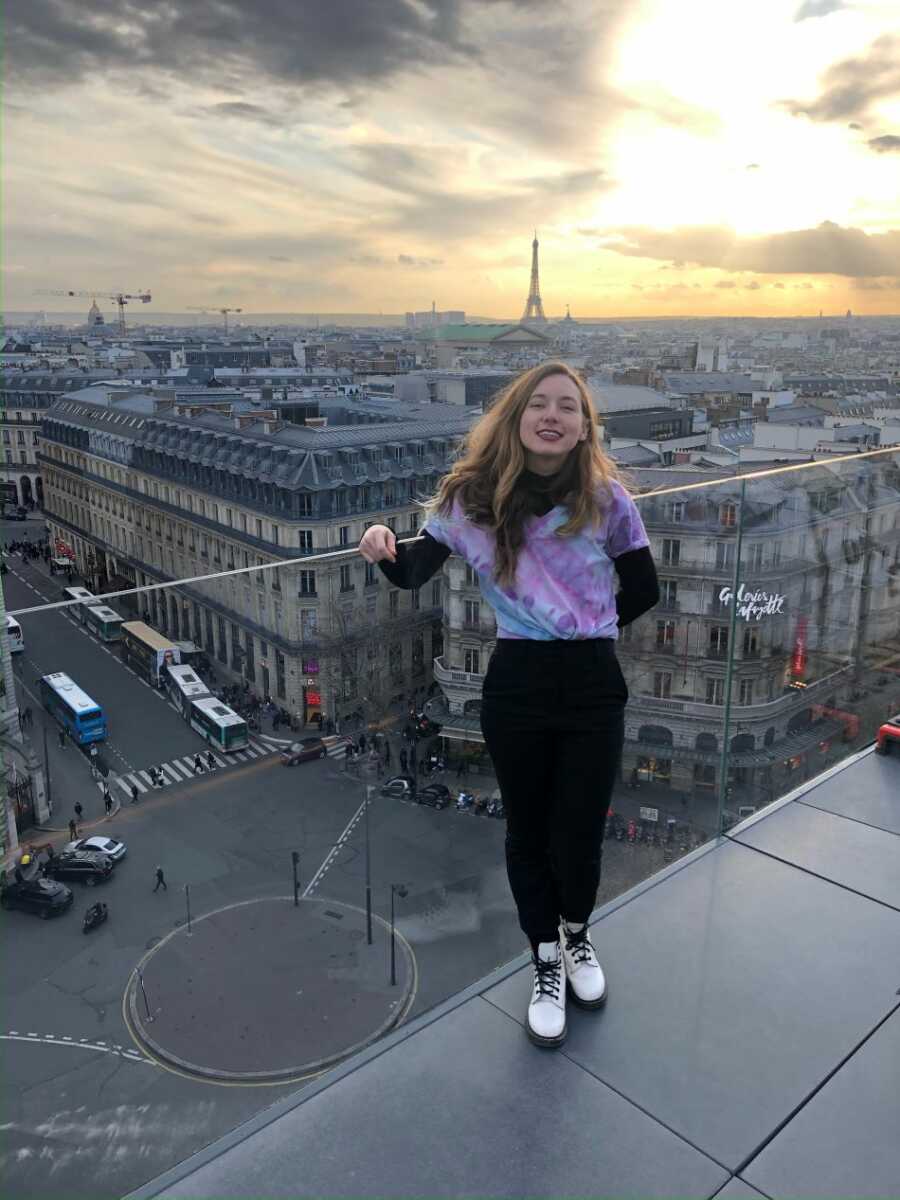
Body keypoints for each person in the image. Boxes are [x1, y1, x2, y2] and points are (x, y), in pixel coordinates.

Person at [360, 361, 659, 1050]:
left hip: (589, 680)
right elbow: (411, 571)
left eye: (568, 407)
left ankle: (577, 937)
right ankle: (545, 959)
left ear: (585, 426)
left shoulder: (607, 497)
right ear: (516, 417)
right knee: (527, 829)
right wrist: (381, 543)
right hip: (517, 680)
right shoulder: (470, 499)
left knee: (580, 831)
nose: (552, 415)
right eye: (539, 405)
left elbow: (644, 589)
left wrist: (584, 622)